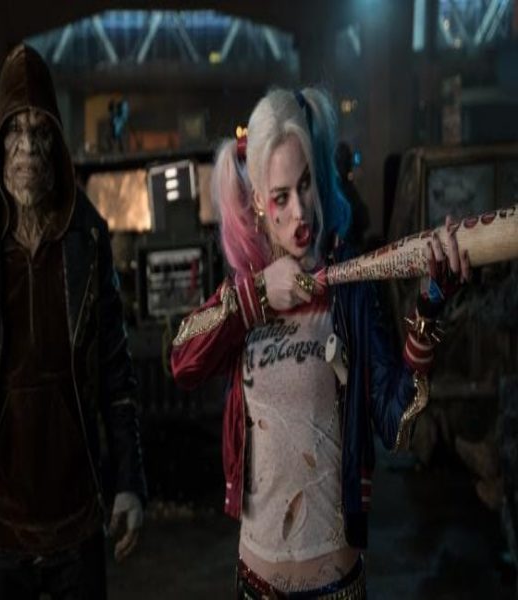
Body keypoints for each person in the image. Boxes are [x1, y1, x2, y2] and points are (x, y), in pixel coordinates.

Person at [171, 87, 470, 598]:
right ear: (258, 203)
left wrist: (428, 311)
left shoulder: (351, 286)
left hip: (334, 586)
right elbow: (182, 362)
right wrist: (257, 296)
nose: (300, 212)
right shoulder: (243, 292)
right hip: (254, 585)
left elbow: (396, 425)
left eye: (306, 184)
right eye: (280, 197)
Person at [0, 44, 146, 599]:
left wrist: (129, 482)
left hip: (76, 514)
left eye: (40, 131)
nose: (26, 148)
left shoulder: (86, 234)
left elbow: (115, 370)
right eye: (15, 131)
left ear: (57, 140)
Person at [335, 141, 369, 252]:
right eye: (345, 161)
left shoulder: (348, 187)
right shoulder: (338, 189)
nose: (348, 166)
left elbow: (364, 220)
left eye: (348, 160)